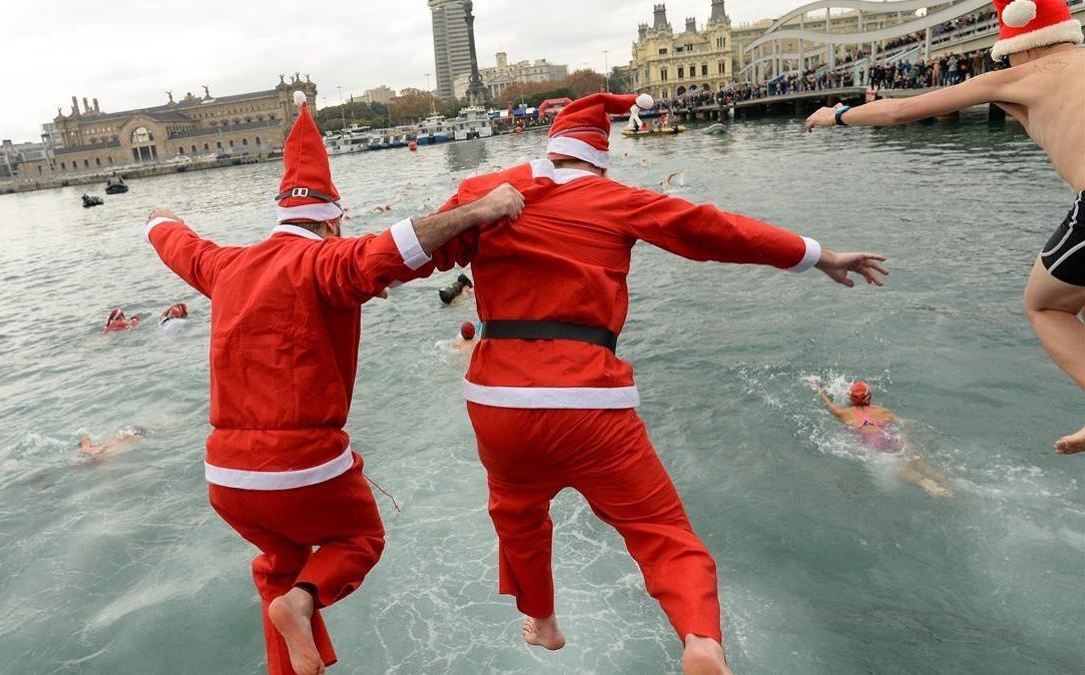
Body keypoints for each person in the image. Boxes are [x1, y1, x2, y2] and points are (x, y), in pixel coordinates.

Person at [435, 92, 889, 674]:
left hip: (498, 402)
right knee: (660, 532)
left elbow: (425, 244)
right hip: (589, 399)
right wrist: (815, 254)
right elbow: (712, 230)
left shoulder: (487, 191)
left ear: (551, 147)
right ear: (600, 158)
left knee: (517, 514)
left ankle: (543, 619)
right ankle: (700, 639)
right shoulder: (613, 197)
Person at [144, 91, 523, 675]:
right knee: (358, 540)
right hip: (302, 465)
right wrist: (481, 210)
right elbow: (395, 248)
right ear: (332, 217)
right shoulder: (326, 260)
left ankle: (293, 662)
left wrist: (158, 218)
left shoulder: (226, 265)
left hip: (224, 477)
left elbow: (178, 245)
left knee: (280, 559)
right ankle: (301, 604)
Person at [806, 0, 1084, 453]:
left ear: (1021, 42)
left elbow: (899, 111)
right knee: (1080, 290)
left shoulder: (1022, 74)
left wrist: (836, 115)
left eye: (1005, 54)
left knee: (1046, 306)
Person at [815, 380, 954, 497]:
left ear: (851, 399)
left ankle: (925, 483)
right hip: (893, 438)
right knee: (918, 462)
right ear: (869, 396)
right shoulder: (882, 411)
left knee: (898, 470)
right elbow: (905, 425)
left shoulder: (844, 413)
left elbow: (829, 403)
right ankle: (949, 486)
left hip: (876, 443)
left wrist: (818, 387)